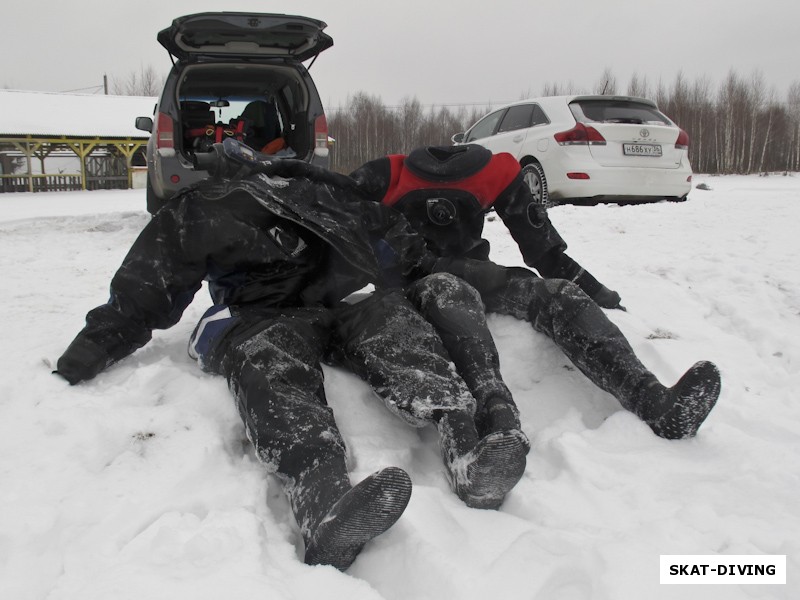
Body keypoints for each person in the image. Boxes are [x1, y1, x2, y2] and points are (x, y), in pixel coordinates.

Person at [54, 140, 526, 571]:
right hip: (262, 313)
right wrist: (87, 353)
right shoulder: (204, 208)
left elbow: (405, 248)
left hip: (335, 306)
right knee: (272, 363)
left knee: (394, 322)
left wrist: (496, 281)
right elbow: (143, 290)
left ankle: (464, 449)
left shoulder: (323, 195)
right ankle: (323, 505)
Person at [340, 144, 722, 441]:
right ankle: (494, 424)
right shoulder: (389, 173)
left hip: (474, 277)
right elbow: (339, 230)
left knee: (557, 294)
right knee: (463, 289)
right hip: (419, 285)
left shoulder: (482, 172)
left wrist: (598, 293)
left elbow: (544, 251)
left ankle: (655, 402)